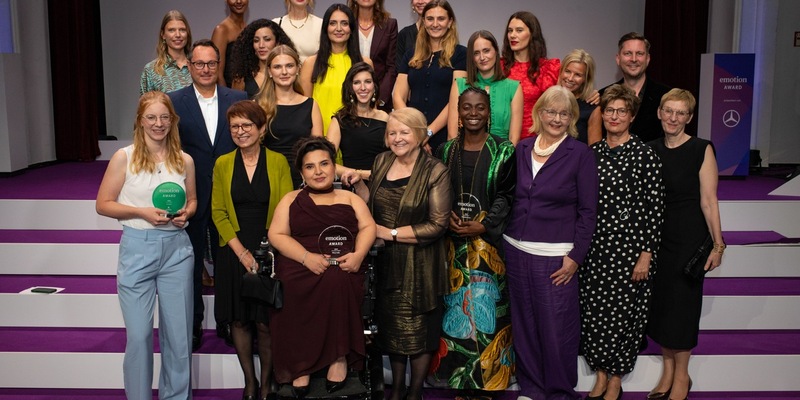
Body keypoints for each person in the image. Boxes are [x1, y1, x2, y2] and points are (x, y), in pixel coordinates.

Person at [342, 107, 452, 400]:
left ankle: (414, 393)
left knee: (417, 331)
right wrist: (361, 185)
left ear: (418, 134)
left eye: (404, 132)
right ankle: (397, 390)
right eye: (392, 133)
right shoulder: (381, 161)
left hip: (420, 263)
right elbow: (375, 203)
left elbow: (437, 225)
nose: (397, 138)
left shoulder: (435, 170)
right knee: (391, 329)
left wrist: (388, 233)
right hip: (386, 262)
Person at [96, 91, 197, 400]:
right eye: (151, 117)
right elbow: (103, 204)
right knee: (139, 337)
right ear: (139, 121)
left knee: (178, 339)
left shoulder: (185, 160)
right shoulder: (123, 157)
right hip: (137, 247)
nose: (158, 124)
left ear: (173, 120)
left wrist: (186, 214)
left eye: (164, 117)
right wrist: (141, 212)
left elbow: (192, 200)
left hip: (177, 250)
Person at [503, 85, 598, 399]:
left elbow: (588, 211)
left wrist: (576, 256)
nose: (556, 118)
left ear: (571, 118)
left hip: (556, 256)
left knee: (557, 330)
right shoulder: (522, 148)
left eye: (564, 113)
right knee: (525, 325)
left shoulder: (580, 153)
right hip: (516, 250)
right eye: (551, 111)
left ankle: (559, 392)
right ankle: (531, 387)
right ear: (539, 113)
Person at [268, 137, 377, 397]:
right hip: (300, 262)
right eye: (310, 166)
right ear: (302, 172)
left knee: (336, 279)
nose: (318, 171)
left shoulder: (350, 198)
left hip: (343, 263)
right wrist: (307, 257)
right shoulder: (291, 199)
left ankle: (339, 358)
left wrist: (359, 255)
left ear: (333, 166)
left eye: (324, 164)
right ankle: (300, 364)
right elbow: (277, 235)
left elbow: (368, 227)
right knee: (290, 284)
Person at [580, 84, 664, 400]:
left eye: (621, 111)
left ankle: (616, 378)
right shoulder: (592, 154)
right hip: (596, 249)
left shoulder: (645, 155)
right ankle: (600, 375)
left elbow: (654, 210)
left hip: (631, 252)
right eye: (609, 110)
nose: (614, 116)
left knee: (626, 315)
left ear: (631, 116)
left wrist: (646, 255)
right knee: (596, 314)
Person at [431, 87, 517, 394]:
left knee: (488, 309)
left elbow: (508, 195)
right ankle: (456, 378)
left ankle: (492, 380)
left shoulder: (505, 150)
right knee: (456, 310)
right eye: (466, 108)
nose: (473, 114)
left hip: (488, 247)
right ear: (458, 110)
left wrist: (484, 225)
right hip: (453, 245)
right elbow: (438, 192)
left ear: (489, 112)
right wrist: (447, 216)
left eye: (480, 108)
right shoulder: (445, 150)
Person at [169, 39, 248, 351]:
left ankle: (229, 320)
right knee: (189, 265)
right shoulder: (174, 101)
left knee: (229, 263)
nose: (205, 69)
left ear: (219, 66)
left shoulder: (238, 98)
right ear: (190, 66)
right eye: (199, 63)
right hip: (192, 195)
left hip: (230, 196)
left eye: (211, 63)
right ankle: (193, 322)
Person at [211, 100, 293, 400]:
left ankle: (267, 384)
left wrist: (264, 250)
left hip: (270, 249)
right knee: (239, 320)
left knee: (264, 321)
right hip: (233, 250)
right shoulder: (222, 164)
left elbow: (285, 208)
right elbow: (218, 212)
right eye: (235, 126)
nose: (241, 131)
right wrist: (242, 252)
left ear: (261, 129)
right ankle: (249, 383)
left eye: (247, 125)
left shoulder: (278, 162)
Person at [646, 89, 724, 400]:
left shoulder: (701, 149)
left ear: (689, 117)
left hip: (689, 238)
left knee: (684, 309)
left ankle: (682, 375)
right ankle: (667, 371)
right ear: (659, 113)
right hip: (659, 240)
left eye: (681, 113)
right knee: (663, 308)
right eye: (669, 111)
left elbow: (709, 200)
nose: (673, 118)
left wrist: (718, 245)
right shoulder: (650, 150)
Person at [393, 0, 466, 152]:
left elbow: (456, 99)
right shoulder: (410, 55)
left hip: (444, 135)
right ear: (424, 22)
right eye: (430, 19)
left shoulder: (461, 54)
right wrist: (416, 132)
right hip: (411, 136)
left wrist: (429, 132)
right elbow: (398, 96)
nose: (435, 24)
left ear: (450, 22)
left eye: (441, 19)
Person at [255, 45, 324, 189]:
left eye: (289, 66)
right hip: (266, 176)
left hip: (302, 178)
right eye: (278, 67)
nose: (284, 72)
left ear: (298, 68)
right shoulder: (258, 105)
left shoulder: (311, 105)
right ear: (269, 71)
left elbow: (317, 149)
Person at [300, 3, 372, 135]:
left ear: (351, 29)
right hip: (321, 136)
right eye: (333, 23)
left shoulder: (364, 63)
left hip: (356, 135)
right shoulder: (310, 64)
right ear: (326, 28)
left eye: (344, 23)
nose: (339, 28)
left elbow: (371, 108)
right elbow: (305, 109)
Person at [447, 30, 522, 144]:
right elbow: (452, 135)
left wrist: (501, 160)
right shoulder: (459, 84)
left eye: (486, 51)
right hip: (465, 155)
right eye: (476, 53)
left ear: (496, 51)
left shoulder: (514, 87)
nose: (482, 57)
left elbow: (514, 138)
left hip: (503, 156)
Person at [601, 32, 671, 143]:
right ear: (618, 59)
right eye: (628, 53)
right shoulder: (602, 96)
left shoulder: (666, 96)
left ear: (647, 59)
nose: (633, 59)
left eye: (639, 53)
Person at [501, 11, 560, 141]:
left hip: (536, 141)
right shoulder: (499, 67)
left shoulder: (548, 68)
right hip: (502, 140)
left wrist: (591, 94)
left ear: (532, 34)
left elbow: (566, 99)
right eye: (510, 31)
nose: (513, 35)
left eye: (519, 30)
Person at [327, 62, 389, 182]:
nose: (363, 88)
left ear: (375, 86)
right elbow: (327, 163)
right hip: (353, 184)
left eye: (368, 81)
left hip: (384, 183)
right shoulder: (339, 120)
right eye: (356, 83)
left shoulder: (385, 117)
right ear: (350, 88)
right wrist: (362, 174)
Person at [348, 0, 397, 112]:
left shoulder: (389, 24)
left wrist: (379, 97)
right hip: (349, 97)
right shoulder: (347, 24)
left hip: (380, 101)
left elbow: (391, 67)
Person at [228, 19, 295, 98]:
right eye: (256, 41)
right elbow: (236, 107)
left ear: (277, 42)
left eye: (267, 39)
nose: (261, 45)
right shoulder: (241, 78)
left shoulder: (288, 74)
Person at [140, 10, 193, 95]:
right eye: (171, 30)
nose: (178, 35)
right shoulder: (151, 70)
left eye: (182, 30)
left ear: (187, 33)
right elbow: (145, 106)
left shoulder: (197, 66)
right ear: (163, 34)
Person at [558, 49, 602, 145]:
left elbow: (594, 150)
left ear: (586, 79)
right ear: (561, 71)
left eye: (577, 75)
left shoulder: (592, 107)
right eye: (567, 71)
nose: (570, 78)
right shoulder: (550, 100)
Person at [211, 0, 249, 87]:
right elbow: (217, 73)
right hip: (229, 93)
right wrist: (227, 97)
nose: (239, 1)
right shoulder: (221, 30)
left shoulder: (247, 28)